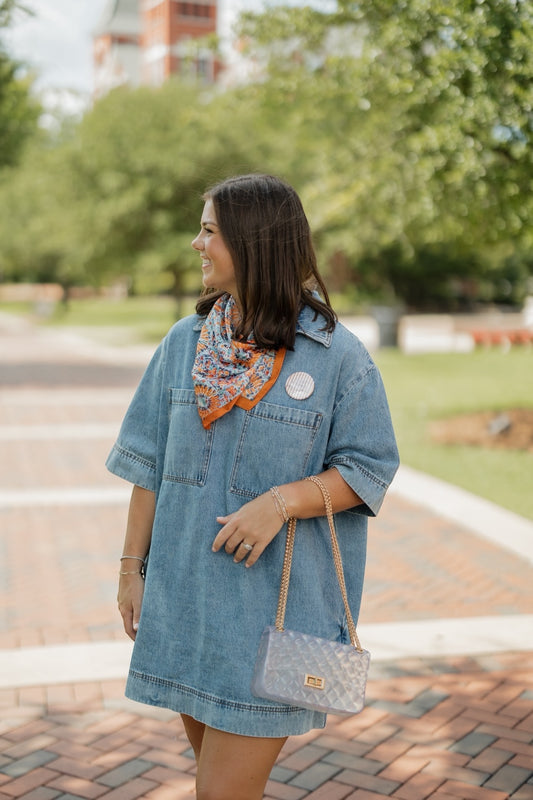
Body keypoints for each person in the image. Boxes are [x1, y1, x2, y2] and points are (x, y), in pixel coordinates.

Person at [106, 173, 399, 800]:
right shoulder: (183, 344)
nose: (197, 244)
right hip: (184, 608)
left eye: (209, 231)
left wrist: (280, 503)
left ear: (254, 242)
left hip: (273, 621)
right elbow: (148, 466)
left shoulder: (336, 356)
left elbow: (369, 468)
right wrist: (131, 572)